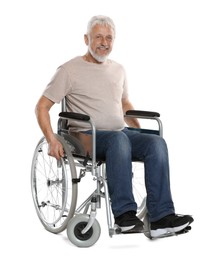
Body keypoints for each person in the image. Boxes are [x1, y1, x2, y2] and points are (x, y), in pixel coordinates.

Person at [35, 15, 193, 238]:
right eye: (98, 37)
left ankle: (161, 218)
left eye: (109, 38)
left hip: (118, 133)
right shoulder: (69, 70)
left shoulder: (118, 69)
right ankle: (125, 216)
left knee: (155, 142)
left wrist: (138, 132)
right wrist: (52, 140)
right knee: (119, 140)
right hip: (83, 136)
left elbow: (125, 104)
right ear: (86, 39)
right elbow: (41, 107)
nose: (104, 42)